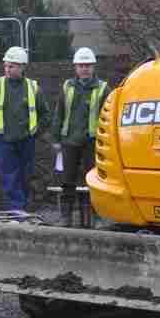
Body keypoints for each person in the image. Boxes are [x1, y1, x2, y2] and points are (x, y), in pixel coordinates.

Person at [0, 46, 52, 211]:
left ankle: (21, 207)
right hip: (4, 139)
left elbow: (45, 114)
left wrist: (36, 131)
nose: (7, 69)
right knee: (10, 176)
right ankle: (16, 209)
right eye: (6, 66)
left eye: (12, 66)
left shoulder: (32, 87)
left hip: (26, 140)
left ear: (22, 67)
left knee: (25, 175)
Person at [52, 47, 109, 223]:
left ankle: (97, 215)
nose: (84, 69)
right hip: (69, 141)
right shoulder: (67, 87)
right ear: (76, 67)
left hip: (93, 142)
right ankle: (66, 216)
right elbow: (59, 113)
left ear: (93, 67)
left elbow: (109, 115)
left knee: (94, 180)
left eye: (88, 65)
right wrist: (56, 139)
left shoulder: (103, 89)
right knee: (68, 179)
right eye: (81, 65)